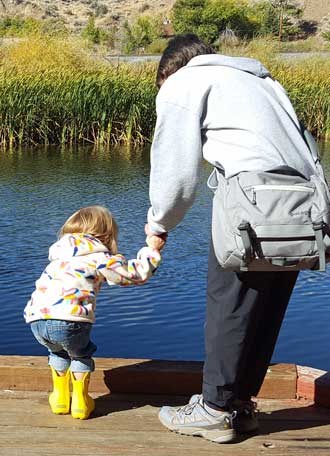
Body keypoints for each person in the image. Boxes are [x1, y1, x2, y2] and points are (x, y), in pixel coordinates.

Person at [144, 33, 319, 443]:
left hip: (251, 203)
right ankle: (238, 405)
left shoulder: (183, 84)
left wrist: (158, 226)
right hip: (300, 207)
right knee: (265, 305)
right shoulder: (263, 81)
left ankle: (214, 409)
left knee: (230, 303)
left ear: (169, 71)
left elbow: (176, 173)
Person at [24, 205, 164, 420]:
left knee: (57, 352)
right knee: (80, 354)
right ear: (106, 234)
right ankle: (80, 403)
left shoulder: (59, 255)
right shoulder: (99, 256)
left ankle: (61, 399)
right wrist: (151, 250)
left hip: (36, 319)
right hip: (70, 319)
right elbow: (132, 275)